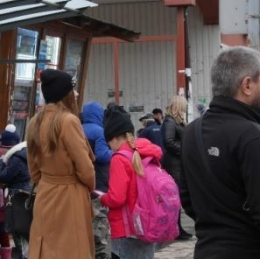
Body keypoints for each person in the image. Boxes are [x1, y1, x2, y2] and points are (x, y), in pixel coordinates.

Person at [180, 46, 260, 258]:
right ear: (247, 85)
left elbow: (187, 197)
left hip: (208, 250)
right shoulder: (252, 136)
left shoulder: (192, 131)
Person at [26, 69, 96, 259]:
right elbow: (85, 168)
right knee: (72, 250)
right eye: (72, 90)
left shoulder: (34, 122)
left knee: (46, 248)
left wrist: (46, 181)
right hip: (70, 193)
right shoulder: (69, 121)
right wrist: (89, 186)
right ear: (63, 94)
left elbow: (33, 168)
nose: (76, 94)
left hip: (45, 192)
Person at [100, 108, 161, 259]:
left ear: (114, 138)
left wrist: (102, 198)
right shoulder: (144, 152)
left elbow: (117, 197)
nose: (109, 147)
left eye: (108, 142)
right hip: (148, 223)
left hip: (126, 229)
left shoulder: (119, 159)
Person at [81, 102, 112, 259]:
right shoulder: (100, 131)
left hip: (80, 183)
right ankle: (99, 253)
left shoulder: (77, 129)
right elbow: (102, 155)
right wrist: (114, 152)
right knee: (99, 220)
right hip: (98, 181)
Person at [0, 124, 31, 259]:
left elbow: (4, 176)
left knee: (18, 230)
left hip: (17, 197)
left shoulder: (16, 158)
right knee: (22, 231)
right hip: (22, 195)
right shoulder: (22, 155)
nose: (0, 151)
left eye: (1, 148)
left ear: (8, 146)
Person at [160, 95, 192, 240]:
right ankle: (175, 228)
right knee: (176, 196)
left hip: (178, 163)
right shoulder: (170, 122)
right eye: (184, 105)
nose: (186, 108)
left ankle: (177, 227)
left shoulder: (175, 122)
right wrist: (185, 149)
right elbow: (169, 141)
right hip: (174, 165)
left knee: (178, 196)